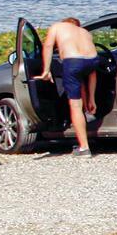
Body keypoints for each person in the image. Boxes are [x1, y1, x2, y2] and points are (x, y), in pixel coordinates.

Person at [37, 16, 100, 157]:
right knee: (82, 78)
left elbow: (48, 46)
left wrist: (46, 70)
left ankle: (84, 148)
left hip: (73, 62)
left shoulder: (57, 26)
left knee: (75, 106)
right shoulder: (84, 32)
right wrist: (92, 98)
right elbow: (92, 73)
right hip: (92, 61)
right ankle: (89, 106)